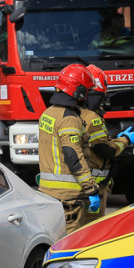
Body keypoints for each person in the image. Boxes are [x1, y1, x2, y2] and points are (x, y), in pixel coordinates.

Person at [38, 64, 101, 235]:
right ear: (78, 91)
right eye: (86, 91)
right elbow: (73, 156)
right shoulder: (69, 119)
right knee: (70, 243)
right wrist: (91, 188)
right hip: (68, 197)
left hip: (48, 192)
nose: (87, 95)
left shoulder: (48, 113)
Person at [79, 65, 134, 221]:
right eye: (99, 96)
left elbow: (92, 143)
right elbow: (104, 150)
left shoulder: (71, 113)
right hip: (93, 185)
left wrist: (113, 139)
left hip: (79, 184)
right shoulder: (92, 118)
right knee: (92, 227)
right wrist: (125, 140)